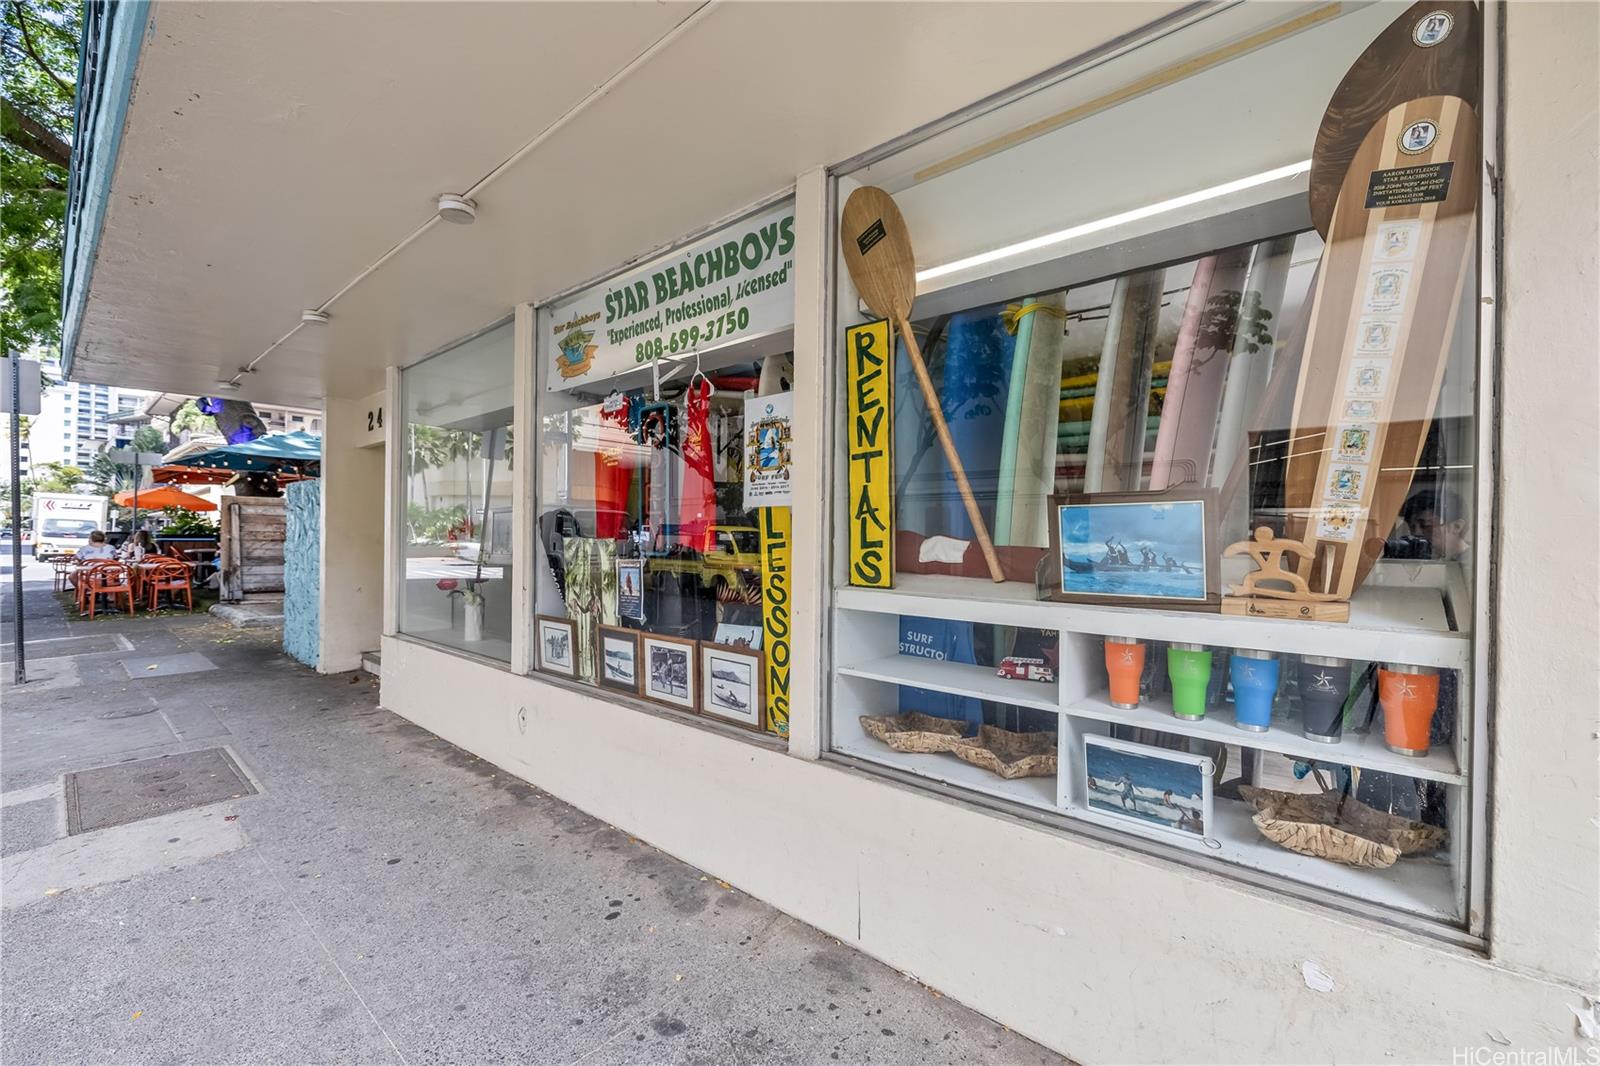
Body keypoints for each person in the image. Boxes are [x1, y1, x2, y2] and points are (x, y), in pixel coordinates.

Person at [1391, 488, 1472, 566]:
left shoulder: (1473, 566)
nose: (1416, 533)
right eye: (1411, 527)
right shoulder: (1424, 557)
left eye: (1426, 525)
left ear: (1456, 527)